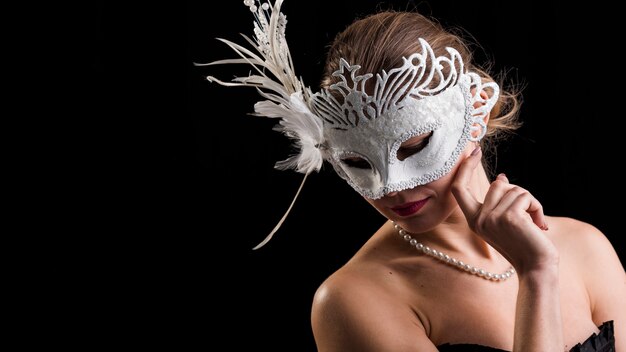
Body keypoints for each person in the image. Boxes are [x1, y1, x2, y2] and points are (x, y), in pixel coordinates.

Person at [198, 0, 624, 350]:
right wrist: (537, 276)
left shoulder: (585, 247)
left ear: (475, 113)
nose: (390, 186)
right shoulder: (354, 301)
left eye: (415, 146)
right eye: (358, 162)